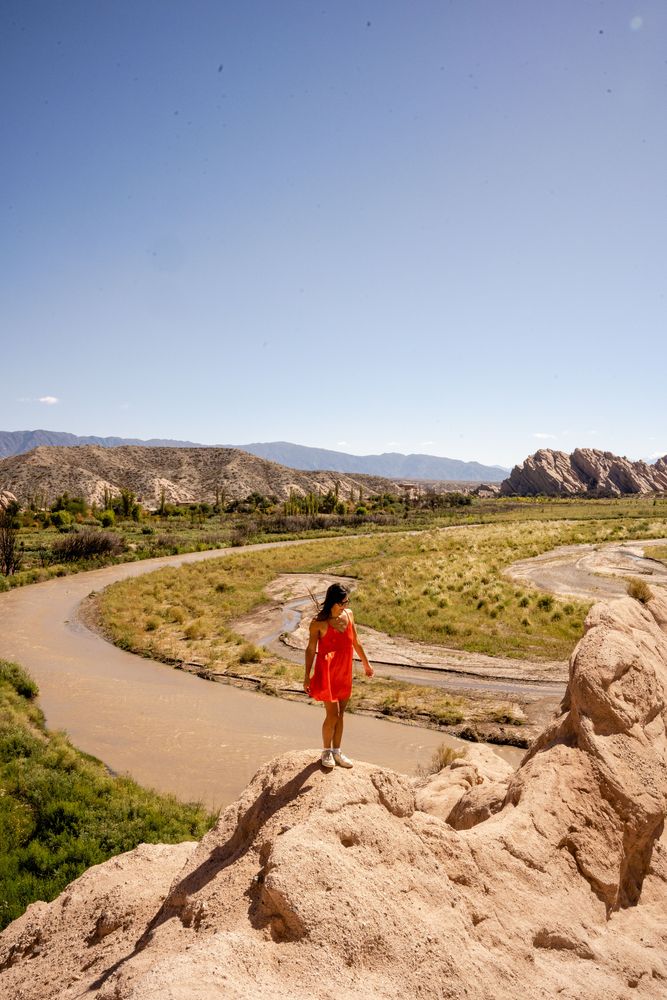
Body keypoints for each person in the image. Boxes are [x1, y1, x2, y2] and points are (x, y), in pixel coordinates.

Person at [303, 582, 374, 769]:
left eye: (347, 602)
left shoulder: (349, 615)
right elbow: (310, 650)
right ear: (333, 602)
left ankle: (337, 751)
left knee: (341, 714)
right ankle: (326, 751)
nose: (346, 606)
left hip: (344, 669)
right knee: (332, 714)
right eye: (343, 602)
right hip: (327, 671)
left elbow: (356, 642)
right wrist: (306, 675)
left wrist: (366, 664)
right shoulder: (318, 622)